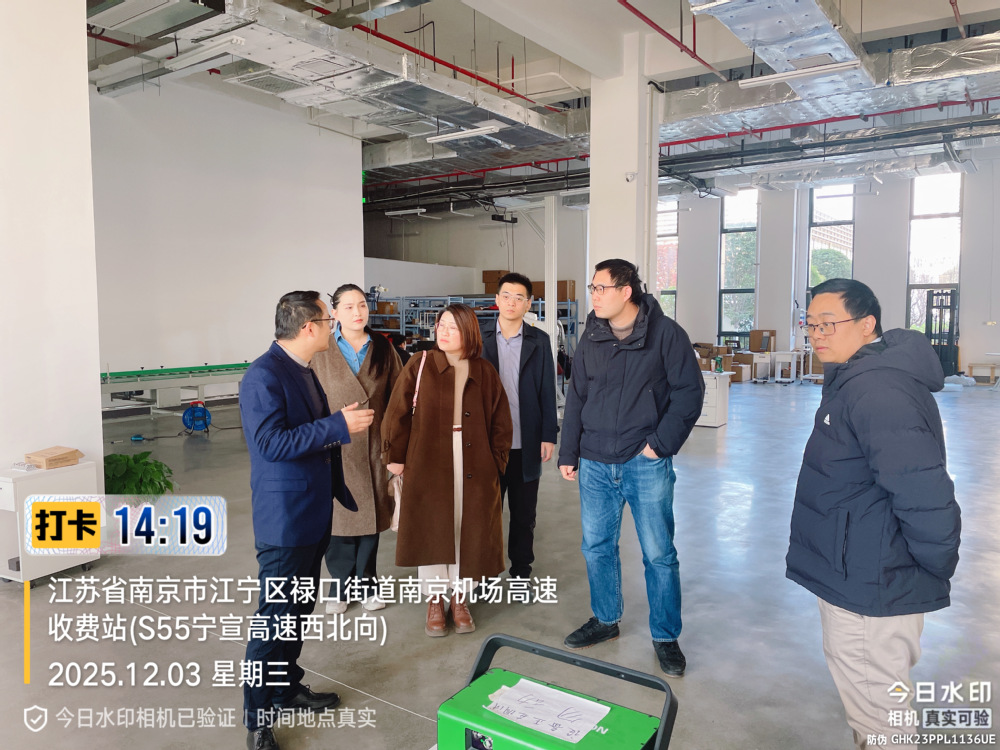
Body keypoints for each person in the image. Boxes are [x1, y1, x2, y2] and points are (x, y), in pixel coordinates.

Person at [786, 278, 961, 749]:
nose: (817, 334)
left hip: (872, 582)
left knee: (882, 721)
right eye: (810, 324)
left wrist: (933, 566)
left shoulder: (877, 389)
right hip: (860, 569)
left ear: (868, 325)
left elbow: (922, 490)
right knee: (876, 707)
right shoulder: (857, 378)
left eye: (828, 323)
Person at [240, 290, 375, 750]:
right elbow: (271, 444)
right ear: (308, 327)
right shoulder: (263, 375)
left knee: (296, 611)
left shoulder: (302, 367)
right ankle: (258, 721)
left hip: (311, 513)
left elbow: (301, 432)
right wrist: (338, 426)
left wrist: (336, 423)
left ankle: (286, 687)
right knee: (274, 619)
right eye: (328, 319)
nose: (334, 326)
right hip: (285, 521)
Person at [557, 259, 704, 678]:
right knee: (596, 547)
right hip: (595, 461)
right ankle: (606, 619)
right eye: (593, 287)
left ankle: (665, 636)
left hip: (644, 462)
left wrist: (659, 445)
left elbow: (689, 393)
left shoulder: (666, 335)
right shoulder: (592, 336)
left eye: (601, 288)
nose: (594, 295)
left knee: (659, 554)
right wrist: (570, 452)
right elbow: (578, 396)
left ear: (626, 291)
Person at [382, 304, 513, 637]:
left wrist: (496, 461)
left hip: (475, 460)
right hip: (427, 457)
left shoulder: (484, 370)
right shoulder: (420, 363)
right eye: (441, 325)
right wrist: (395, 456)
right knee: (433, 527)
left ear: (469, 332)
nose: (444, 331)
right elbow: (397, 412)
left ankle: (459, 598)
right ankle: (435, 600)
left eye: (453, 327)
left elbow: (501, 420)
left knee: (466, 527)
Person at [311, 284, 403, 614]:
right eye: (348, 307)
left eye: (362, 305)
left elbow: (400, 398)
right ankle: (339, 587)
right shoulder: (320, 349)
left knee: (370, 518)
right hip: (332, 445)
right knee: (338, 521)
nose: (357, 312)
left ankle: (367, 584)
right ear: (334, 313)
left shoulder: (383, 348)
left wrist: (397, 448)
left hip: (374, 446)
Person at [481, 272, 558, 581]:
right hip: (487, 444)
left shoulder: (539, 341)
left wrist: (548, 435)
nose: (511, 302)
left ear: (529, 304)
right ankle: (484, 573)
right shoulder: (479, 338)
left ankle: (521, 572)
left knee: (524, 515)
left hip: (526, 441)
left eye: (519, 298)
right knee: (486, 514)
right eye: (506, 296)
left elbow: (547, 390)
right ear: (496, 300)